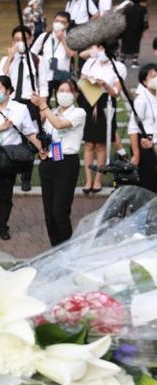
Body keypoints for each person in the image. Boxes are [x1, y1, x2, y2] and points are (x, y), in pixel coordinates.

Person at [0, 76, 43, 241]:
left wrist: (42, 148)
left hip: (9, 159)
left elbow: (30, 132)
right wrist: (2, 127)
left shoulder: (20, 109)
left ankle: (3, 226)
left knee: (6, 196)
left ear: (8, 91)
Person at [32, 80, 86, 246]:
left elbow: (60, 124)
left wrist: (43, 106)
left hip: (67, 164)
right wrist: (42, 149)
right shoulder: (51, 112)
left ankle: (67, 249)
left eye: (68, 91)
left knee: (59, 212)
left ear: (75, 94)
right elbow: (48, 136)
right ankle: (55, 248)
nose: (64, 94)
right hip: (49, 162)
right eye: (60, 90)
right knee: (49, 213)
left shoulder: (78, 112)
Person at [0, 26, 42, 191]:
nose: (19, 43)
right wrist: (10, 58)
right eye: (16, 40)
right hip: (12, 103)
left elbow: (43, 85)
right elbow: (1, 80)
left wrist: (42, 107)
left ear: (30, 40)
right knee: (10, 138)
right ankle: (9, 174)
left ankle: (26, 177)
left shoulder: (37, 60)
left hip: (30, 103)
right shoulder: (6, 60)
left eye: (23, 39)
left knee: (29, 141)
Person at [79, 42, 125, 194]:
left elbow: (116, 92)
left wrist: (106, 85)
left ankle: (98, 179)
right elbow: (81, 81)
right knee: (88, 144)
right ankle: (88, 180)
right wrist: (89, 81)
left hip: (106, 103)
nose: (100, 51)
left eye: (103, 48)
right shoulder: (90, 62)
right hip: (90, 100)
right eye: (99, 48)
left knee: (101, 144)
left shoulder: (118, 67)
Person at [128, 63, 157, 193]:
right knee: (148, 185)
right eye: (153, 76)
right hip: (145, 144)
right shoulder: (141, 100)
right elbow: (133, 128)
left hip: (155, 144)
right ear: (144, 81)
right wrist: (136, 154)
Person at [33, 12, 75, 98]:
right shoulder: (44, 36)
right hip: (45, 75)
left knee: (62, 100)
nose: (58, 24)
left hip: (62, 76)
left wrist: (62, 39)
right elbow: (32, 53)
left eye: (62, 22)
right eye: (57, 21)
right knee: (44, 101)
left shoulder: (71, 38)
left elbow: (71, 54)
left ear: (67, 24)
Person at [121, 1, 148, 69]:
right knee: (136, 43)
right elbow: (145, 20)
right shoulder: (143, 9)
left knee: (124, 43)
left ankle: (122, 59)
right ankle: (134, 61)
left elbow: (122, 19)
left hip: (126, 29)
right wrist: (144, 29)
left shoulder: (126, 9)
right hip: (137, 29)